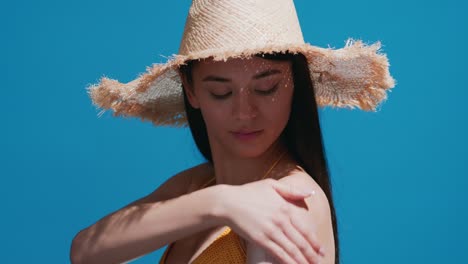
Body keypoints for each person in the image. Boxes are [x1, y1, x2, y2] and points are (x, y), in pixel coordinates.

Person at [70, 0, 395, 263]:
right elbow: (86, 252)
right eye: (220, 92)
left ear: (296, 84)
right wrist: (220, 201)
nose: (244, 112)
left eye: (266, 88)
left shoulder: (290, 203)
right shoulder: (199, 186)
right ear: (192, 91)